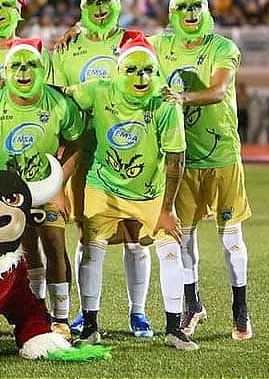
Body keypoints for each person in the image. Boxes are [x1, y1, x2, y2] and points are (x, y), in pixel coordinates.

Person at [66, 31, 198, 350]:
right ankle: (91, 325)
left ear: (155, 72)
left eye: (147, 70)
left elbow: (176, 159)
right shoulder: (98, 91)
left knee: (170, 249)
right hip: (104, 186)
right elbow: (61, 93)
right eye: (132, 69)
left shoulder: (165, 105)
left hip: (151, 194)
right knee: (91, 247)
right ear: (118, 71)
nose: (140, 77)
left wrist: (166, 210)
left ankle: (173, 328)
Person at [51, 0, 154, 338]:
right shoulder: (67, 48)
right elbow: (56, 93)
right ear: (82, 6)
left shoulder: (134, 41)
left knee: (134, 234)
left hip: (132, 154)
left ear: (117, 4)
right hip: (86, 154)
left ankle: (138, 313)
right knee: (89, 233)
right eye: (91, 1)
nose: (98, 7)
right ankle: (85, 313)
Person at [154, 0, 253, 340]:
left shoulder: (223, 47)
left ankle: (239, 309)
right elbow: (123, 47)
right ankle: (192, 304)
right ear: (172, 13)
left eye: (197, 5)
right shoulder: (160, 46)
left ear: (206, 10)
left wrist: (180, 97)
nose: (190, 12)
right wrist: (77, 32)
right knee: (184, 239)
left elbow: (218, 91)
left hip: (222, 156)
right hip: (183, 160)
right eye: (183, 7)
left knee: (231, 240)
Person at [0, 37, 84, 341]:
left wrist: (60, 184)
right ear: (5, 71)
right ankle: (17, 317)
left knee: (55, 246)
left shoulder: (60, 104)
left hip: (46, 189)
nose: (24, 72)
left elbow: (76, 143)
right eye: (16, 66)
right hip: (5, 198)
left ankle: (60, 319)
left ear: (42, 69)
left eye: (31, 64)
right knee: (15, 252)